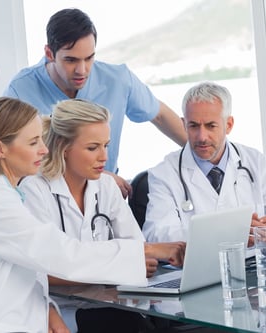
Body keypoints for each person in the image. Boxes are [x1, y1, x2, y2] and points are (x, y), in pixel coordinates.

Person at [0, 97, 154, 333]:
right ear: (0, 149)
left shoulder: (5, 193)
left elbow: (30, 272)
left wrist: (49, 310)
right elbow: (63, 256)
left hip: (19, 320)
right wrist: (148, 251)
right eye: (34, 142)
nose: (45, 150)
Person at [18, 98, 186, 332]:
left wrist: (123, 263)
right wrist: (119, 265)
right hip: (61, 310)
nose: (104, 157)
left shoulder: (106, 186)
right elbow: (42, 271)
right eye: (92, 147)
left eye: (106, 145)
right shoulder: (34, 190)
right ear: (64, 147)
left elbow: (137, 252)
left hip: (113, 304)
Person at [3, 8, 187, 198]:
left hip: (106, 197)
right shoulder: (20, 90)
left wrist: (212, 156)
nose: (82, 70)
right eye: (71, 60)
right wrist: (98, 176)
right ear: (49, 53)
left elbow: (160, 115)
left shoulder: (118, 79)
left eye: (89, 58)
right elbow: (10, 158)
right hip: (43, 197)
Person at [143, 81, 266, 250]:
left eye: (211, 126)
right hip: (196, 273)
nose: (202, 136)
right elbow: (157, 234)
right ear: (184, 124)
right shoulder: (163, 174)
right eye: (194, 126)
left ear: (229, 125)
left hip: (254, 268)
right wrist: (231, 233)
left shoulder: (257, 163)